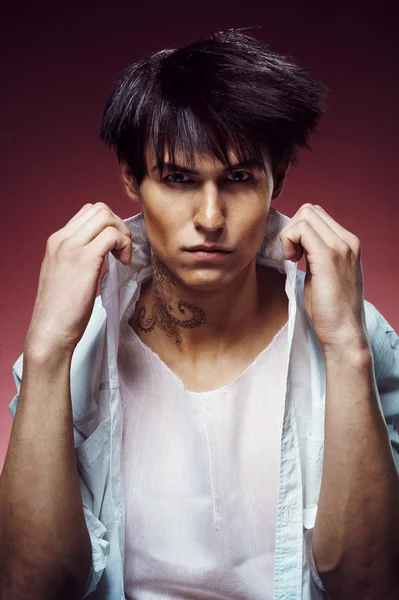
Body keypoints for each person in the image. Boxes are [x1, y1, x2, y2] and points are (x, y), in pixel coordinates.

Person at [1, 28, 398, 600]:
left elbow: (371, 585)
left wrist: (347, 348)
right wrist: (44, 351)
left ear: (277, 180)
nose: (210, 216)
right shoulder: (78, 340)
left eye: (238, 178)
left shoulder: (349, 333)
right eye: (178, 178)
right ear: (132, 180)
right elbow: (28, 587)